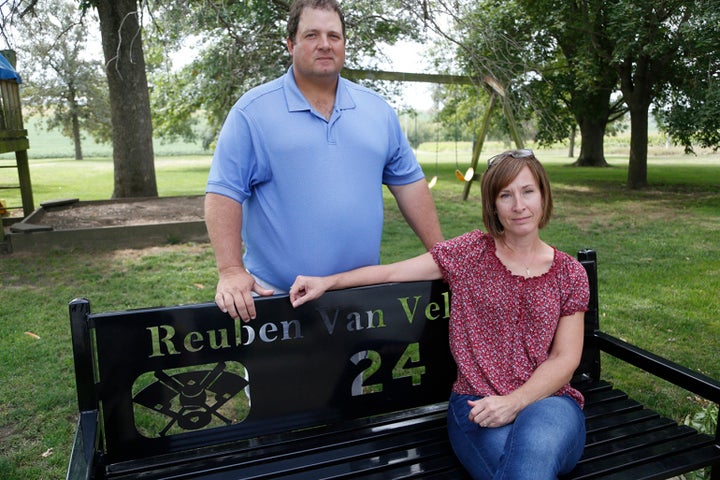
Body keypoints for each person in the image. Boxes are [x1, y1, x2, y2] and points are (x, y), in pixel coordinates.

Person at [289, 149, 589, 480]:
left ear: (544, 196)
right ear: (493, 205)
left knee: (535, 449)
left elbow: (565, 359)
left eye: (527, 191)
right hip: (477, 404)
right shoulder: (469, 254)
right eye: (506, 195)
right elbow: (391, 273)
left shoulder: (568, 273)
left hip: (550, 403)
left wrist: (515, 402)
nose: (519, 205)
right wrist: (329, 282)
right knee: (524, 471)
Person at [205, 0, 442, 323]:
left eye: (334, 35)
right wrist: (231, 270)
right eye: (312, 35)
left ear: (344, 44)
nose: (325, 44)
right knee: (279, 377)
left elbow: (410, 185)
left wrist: (443, 254)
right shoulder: (252, 113)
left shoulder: (377, 111)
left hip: (361, 301)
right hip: (280, 302)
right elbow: (223, 194)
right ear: (291, 44)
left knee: (357, 375)